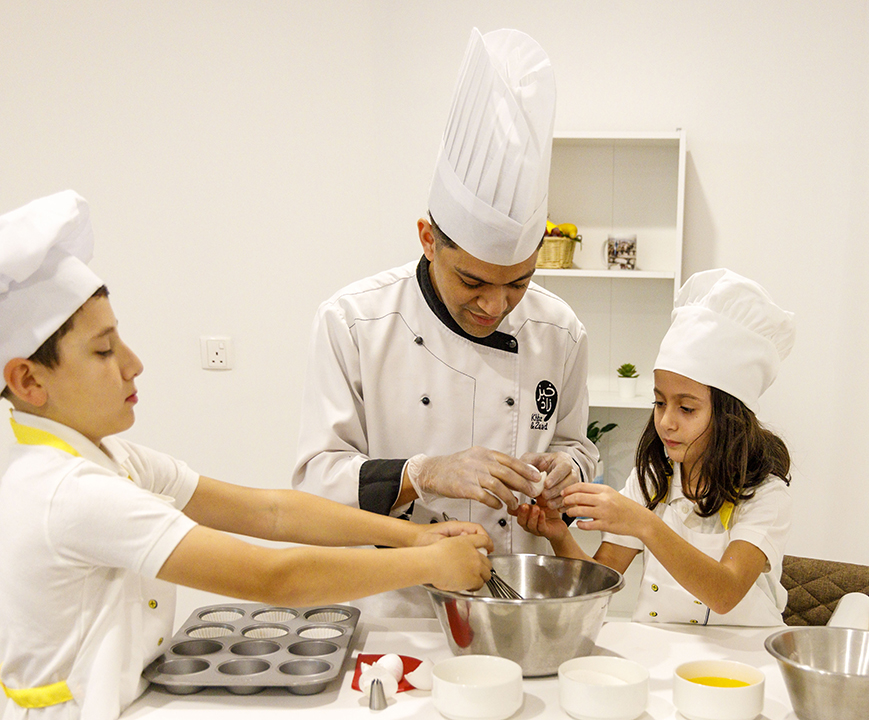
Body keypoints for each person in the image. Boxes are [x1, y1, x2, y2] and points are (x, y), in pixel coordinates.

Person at [0, 191, 493, 720]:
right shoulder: (69, 491)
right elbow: (271, 578)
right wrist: (425, 562)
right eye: (103, 350)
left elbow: (270, 512)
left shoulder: (112, 458)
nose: (134, 364)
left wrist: (414, 534)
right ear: (28, 380)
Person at [293, 28, 597, 617]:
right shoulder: (354, 323)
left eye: (519, 283)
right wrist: (424, 472)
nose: (495, 305)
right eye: (474, 282)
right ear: (429, 240)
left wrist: (565, 469)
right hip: (396, 607)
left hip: (520, 602)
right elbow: (314, 483)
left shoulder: (560, 329)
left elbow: (577, 442)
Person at [517, 268, 796, 626]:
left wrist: (644, 524)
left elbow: (725, 593)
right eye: (659, 402)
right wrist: (557, 532)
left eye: (687, 408)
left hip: (742, 663)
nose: (666, 421)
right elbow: (596, 583)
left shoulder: (767, 496)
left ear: (731, 415)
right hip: (664, 652)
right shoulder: (653, 480)